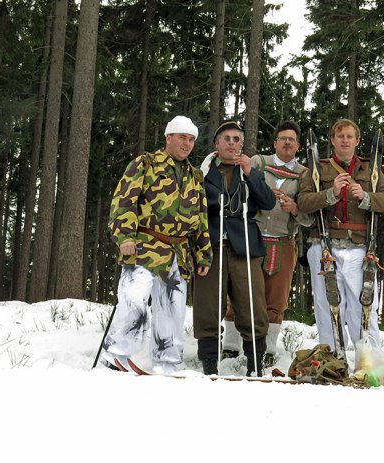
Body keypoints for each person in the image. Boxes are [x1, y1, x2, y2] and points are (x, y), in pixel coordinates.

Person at [101, 115, 211, 374]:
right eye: (182, 137)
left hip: (179, 253)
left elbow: (201, 218)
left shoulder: (195, 176)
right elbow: (124, 200)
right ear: (168, 138)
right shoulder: (146, 163)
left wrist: (203, 254)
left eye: (191, 139)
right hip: (144, 247)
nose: (187, 144)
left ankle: (168, 363)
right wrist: (125, 237)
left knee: (173, 311)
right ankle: (117, 353)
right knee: (134, 300)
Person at [297, 118, 384, 353]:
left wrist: (365, 197)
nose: (344, 140)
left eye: (349, 136)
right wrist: (330, 193)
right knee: (326, 306)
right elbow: (303, 202)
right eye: (340, 136)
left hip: (359, 248)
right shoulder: (318, 169)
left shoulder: (369, 169)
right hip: (324, 246)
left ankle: (369, 366)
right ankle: (332, 361)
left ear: (357, 141)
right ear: (332, 140)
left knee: (363, 307)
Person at [220, 121, 314, 367]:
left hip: (284, 242)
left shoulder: (305, 174)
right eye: (282, 138)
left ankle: (269, 348)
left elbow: (309, 218)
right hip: (252, 238)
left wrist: (294, 208)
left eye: (291, 139)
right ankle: (230, 345)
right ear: (275, 143)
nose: (286, 142)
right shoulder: (259, 162)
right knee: (240, 293)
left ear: (298, 145)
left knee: (276, 299)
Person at [193, 120, 276, 376]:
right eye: (226, 138)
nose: (231, 143)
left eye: (236, 139)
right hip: (211, 244)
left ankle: (255, 365)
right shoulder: (203, 172)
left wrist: (251, 173)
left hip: (245, 246)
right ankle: (209, 365)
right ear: (216, 144)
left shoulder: (250, 170)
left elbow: (268, 202)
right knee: (207, 305)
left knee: (252, 306)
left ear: (241, 145)